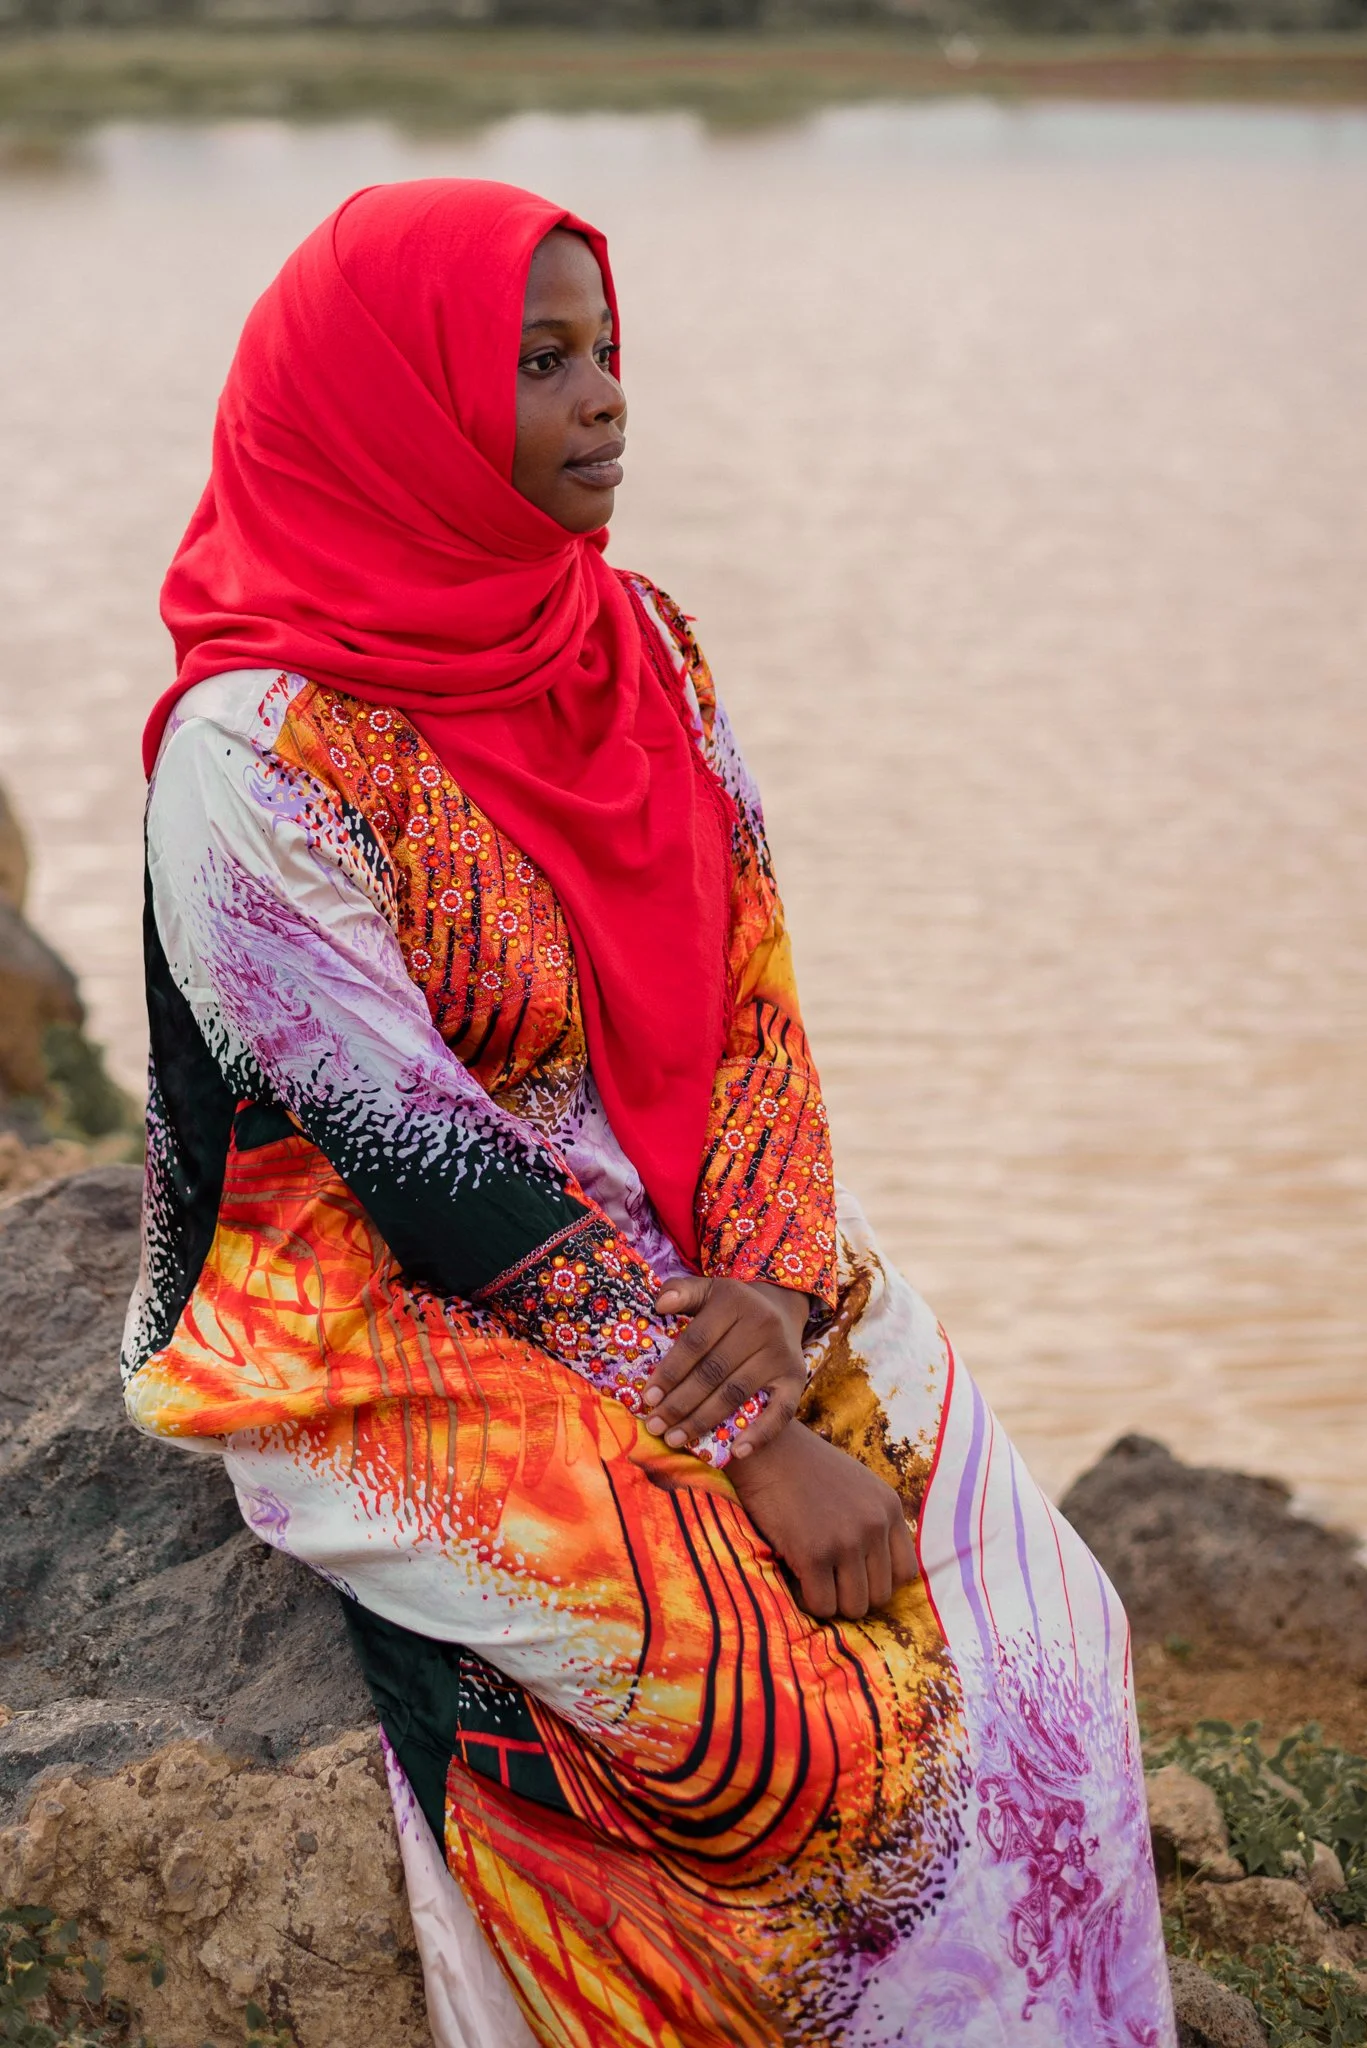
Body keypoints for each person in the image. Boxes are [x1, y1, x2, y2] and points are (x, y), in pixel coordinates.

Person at [124, 178, 1173, 2048]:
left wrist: (770, 1289)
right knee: (784, 1738)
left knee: (1042, 1633)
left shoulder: (642, 645)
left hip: (706, 1261)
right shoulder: (249, 757)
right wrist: (754, 1427)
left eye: (603, 351)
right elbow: (414, 1158)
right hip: (385, 1323)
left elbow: (753, 996)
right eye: (537, 364)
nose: (603, 399)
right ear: (392, 408)